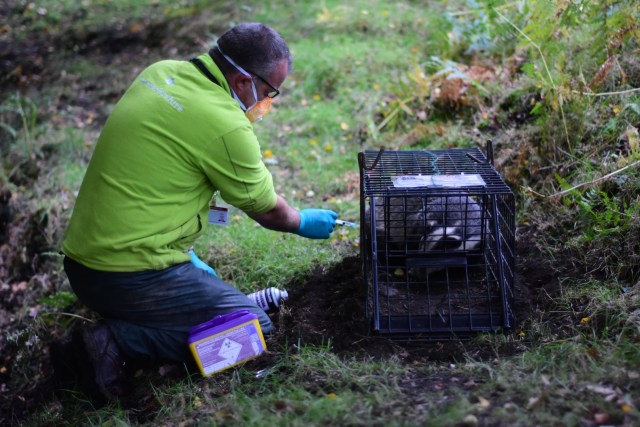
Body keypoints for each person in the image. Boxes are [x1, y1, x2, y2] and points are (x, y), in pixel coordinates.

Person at [59, 22, 338, 399]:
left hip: (83, 260)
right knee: (253, 332)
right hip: (125, 275)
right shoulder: (226, 125)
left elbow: (149, 174)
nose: (269, 101)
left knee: (222, 311)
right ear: (242, 82)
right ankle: (117, 342)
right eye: (271, 91)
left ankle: (142, 320)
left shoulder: (159, 72)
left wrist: (186, 253)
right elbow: (267, 210)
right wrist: (302, 220)